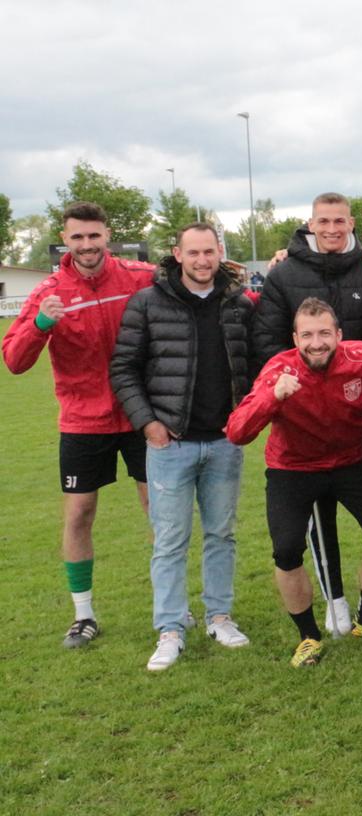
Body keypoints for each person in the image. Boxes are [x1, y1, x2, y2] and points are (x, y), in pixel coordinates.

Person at [225, 298, 362, 667]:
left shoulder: (358, 357)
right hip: (292, 467)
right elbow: (236, 432)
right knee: (287, 550)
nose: (317, 342)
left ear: (338, 335)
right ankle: (308, 636)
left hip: (350, 461)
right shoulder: (278, 369)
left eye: (325, 333)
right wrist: (271, 397)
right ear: (295, 339)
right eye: (307, 335)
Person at [2, 201, 154, 649]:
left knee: (159, 512)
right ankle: (83, 615)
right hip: (83, 420)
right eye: (77, 237)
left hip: (141, 413)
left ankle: (171, 604)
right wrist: (42, 324)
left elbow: (193, 278)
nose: (87, 245)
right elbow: (13, 360)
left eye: (94, 235)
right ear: (65, 240)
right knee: (79, 513)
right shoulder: (50, 290)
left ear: (107, 235)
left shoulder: (139, 276)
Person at [109, 223, 254, 671]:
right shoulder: (148, 303)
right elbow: (123, 369)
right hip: (170, 444)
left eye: (209, 251)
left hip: (224, 443)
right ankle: (170, 628)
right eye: (193, 253)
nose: (202, 260)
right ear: (177, 254)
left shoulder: (239, 306)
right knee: (170, 541)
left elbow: (256, 365)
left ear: (220, 253)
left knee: (221, 534)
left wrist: (245, 418)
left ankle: (219, 616)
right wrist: (148, 424)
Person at [251, 192, 362, 636]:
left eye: (339, 221)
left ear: (351, 223)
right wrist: (295, 393)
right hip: (301, 422)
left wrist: (358, 396)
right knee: (315, 522)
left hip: (358, 417)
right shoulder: (284, 273)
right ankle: (333, 601)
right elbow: (268, 340)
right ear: (310, 224)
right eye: (323, 221)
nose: (332, 229)